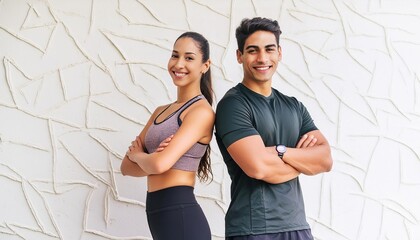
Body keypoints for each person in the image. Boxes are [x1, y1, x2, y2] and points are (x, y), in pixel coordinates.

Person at [214, 17, 333, 240]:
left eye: (269, 49)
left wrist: (280, 151)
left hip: (298, 226)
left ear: (279, 53)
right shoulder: (233, 105)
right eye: (252, 50)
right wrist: (303, 163)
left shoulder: (294, 106)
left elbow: (325, 160)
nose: (262, 58)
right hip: (254, 228)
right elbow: (258, 168)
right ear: (239, 56)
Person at [120, 31, 214, 240]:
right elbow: (125, 167)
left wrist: (139, 156)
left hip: (182, 217)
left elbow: (159, 165)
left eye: (189, 58)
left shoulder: (201, 112)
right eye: (175, 55)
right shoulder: (160, 111)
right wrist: (150, 160)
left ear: (204, 66)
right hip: (160, 217)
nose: (179, 64)